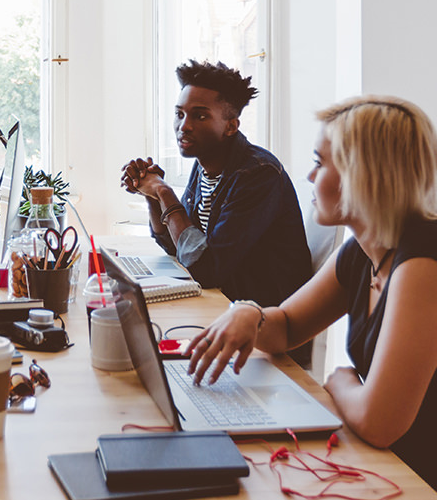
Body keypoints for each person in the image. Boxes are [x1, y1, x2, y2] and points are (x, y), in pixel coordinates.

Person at [185, 95, 437, 489]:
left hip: (416, 478)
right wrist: (249, 313)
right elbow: (287, 327)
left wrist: (339, 381)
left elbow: (378, 422)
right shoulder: (361, 252)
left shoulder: (424, 263)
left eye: (319, 163)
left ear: (363, 175)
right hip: (384, 466)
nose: (308, 176)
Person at [121, 60, 311, 310]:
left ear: (231, 126)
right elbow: (178, 246)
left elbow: (206, 268)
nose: (184, 126)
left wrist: (164, 191)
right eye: (179, 114)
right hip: (221, 306)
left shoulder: (258, 174)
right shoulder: (205, 164)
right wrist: (151, 194)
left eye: (200, 116)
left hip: (260, 322)